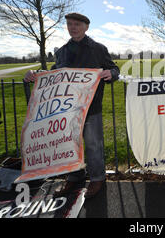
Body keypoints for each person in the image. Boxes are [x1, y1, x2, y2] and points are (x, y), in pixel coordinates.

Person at [24, 12, 120, 198]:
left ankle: (97, 178)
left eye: (77, 24)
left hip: (91, 107)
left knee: (93, 145)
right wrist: (35, 74)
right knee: (69, 144)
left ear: (86, 27)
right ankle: (75, 177)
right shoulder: (62, 51)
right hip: (66, 110)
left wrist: (111, 74)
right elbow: (54, 75)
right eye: (69, 24)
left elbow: (114, 68)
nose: (72, 27)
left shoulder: (98, 48)